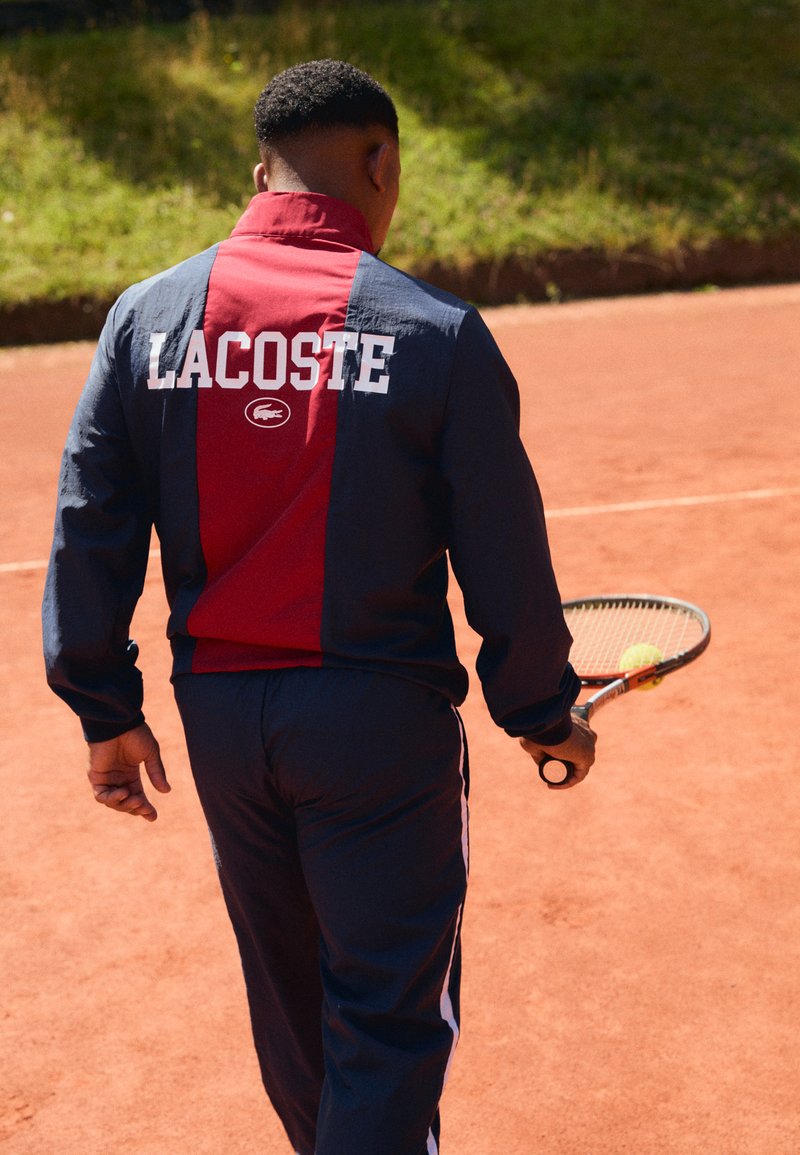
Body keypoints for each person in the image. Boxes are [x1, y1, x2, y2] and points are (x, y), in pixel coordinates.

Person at [43, 59, 595, 1155]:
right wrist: (541, 710)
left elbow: (89, 523)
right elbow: (504, 556)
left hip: (224, 728)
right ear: (378, 163)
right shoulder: (433, 331)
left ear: (260, 173)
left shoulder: (146, 319)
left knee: (295, 1014)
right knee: (385, 1022)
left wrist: (104, 708)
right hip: (377, 727)